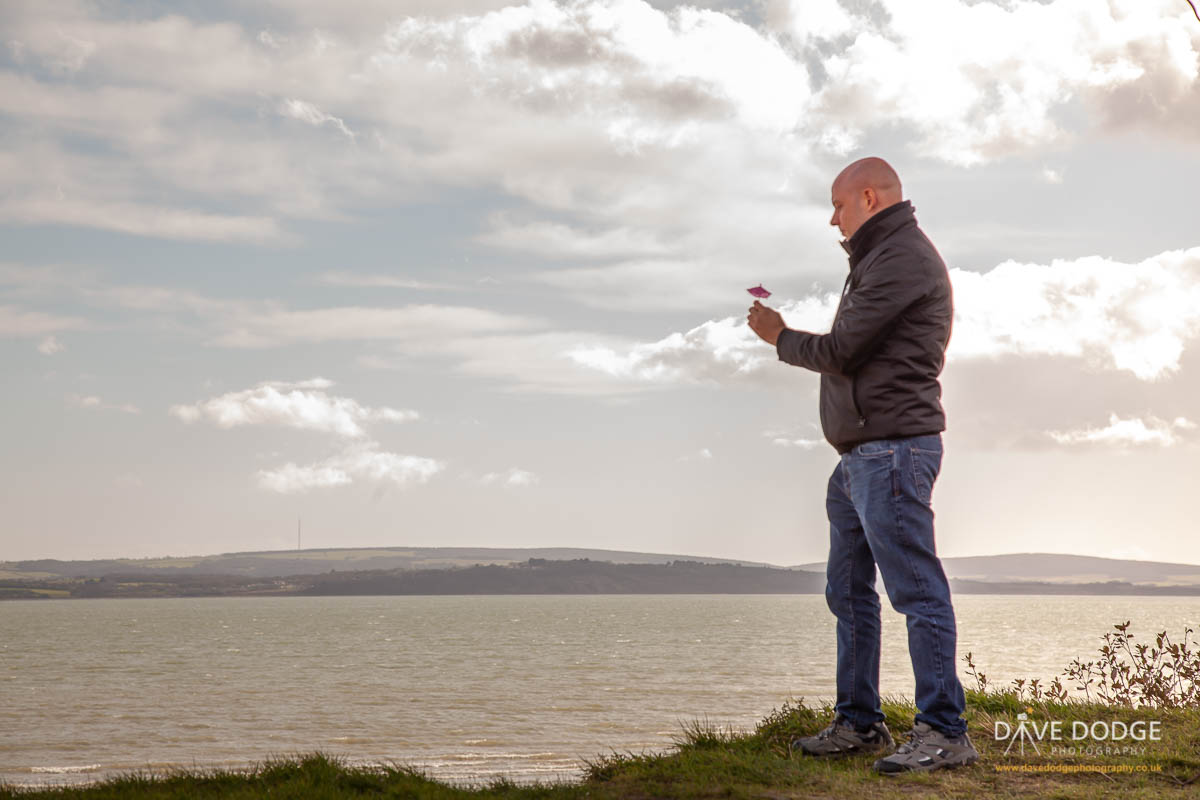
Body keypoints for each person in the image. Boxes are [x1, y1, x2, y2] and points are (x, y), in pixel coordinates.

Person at [745, 157, 978, 774]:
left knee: (915, 591)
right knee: (847, 592)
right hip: (860, 458)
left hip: (894, 451)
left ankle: (944, 732)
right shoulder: (877, 258)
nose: (832, 217)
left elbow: (842, 351)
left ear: (868, 197)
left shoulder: (901, 258)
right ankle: (859, 722)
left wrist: (778, 335)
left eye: (837, 205)